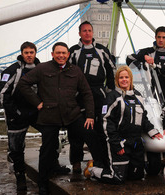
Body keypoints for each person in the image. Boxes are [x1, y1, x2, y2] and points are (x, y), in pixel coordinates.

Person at [17, 42, 102, 194]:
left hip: (72, 114)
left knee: (90, 134)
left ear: (68, 55)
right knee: (47, 149)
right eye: (58, 53)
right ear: (52, 54)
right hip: (49, 115)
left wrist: (89, 115)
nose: (61, 55)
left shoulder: (75, 71)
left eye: (64, 53)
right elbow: (23, 83)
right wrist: (37, 102)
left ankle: (102, 169)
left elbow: (87, 93)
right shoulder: (42, 68)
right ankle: (42, 183)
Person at [85, 65, 163, 184]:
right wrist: (116, 144)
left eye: (126, 77)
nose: (124, 80)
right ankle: (92, 169)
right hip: (120, 142)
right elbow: (106, 122)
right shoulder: (112, 97)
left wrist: (153, 131)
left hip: (136, 143)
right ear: (117, 80)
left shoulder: (138, 96)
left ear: (131, 79)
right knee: (117, 178)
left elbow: (143, 117)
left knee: (136, 177)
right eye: (121, 77)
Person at [126, 26, 165, 166]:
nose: (161, 40)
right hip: (152, 95)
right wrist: (142, 57)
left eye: (164, 37)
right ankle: (145, 149)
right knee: (152, 119)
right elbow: (129, 59)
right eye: (159, 37)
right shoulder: (147, 51)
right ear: (155, 38)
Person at [69, 21, 116, 173]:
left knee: (100, 129)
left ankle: (101, 160)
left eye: (89, 30)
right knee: (76, 130)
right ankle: (76, 162)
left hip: (99, 94)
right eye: (84, 31)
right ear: (80, 33)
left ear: (93, 32)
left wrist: (110, 91)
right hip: (79, 95)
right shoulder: (74, 51)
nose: (87, 33)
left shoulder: (102, 50)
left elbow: (111, 70)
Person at [0, 42, 41, 191]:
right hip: (16, 115)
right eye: (26, 52)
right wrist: (15, 113)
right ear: (22, 53)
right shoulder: (11, 71)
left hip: (35, 112)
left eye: (31, 52)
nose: (29, 55)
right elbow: (3, 95)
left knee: (51, 133)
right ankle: (20, 176)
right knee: (16, 149)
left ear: (36, 53)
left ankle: (51, 166)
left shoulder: (40, 69)